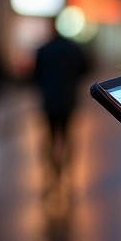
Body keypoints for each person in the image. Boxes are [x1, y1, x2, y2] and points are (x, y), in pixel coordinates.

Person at [31, 30, 89, 176]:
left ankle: (52, 167)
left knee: (50, 134)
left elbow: (35, 75)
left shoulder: (44, 50)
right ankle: (65, 167)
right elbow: (85, 69)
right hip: (68, 98)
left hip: (49, 98)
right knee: (67, 133)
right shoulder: (74, 49)